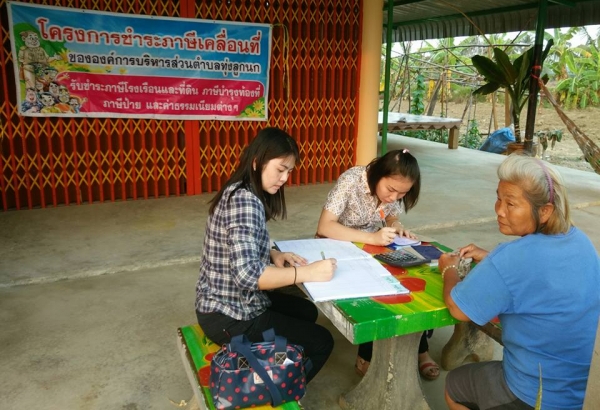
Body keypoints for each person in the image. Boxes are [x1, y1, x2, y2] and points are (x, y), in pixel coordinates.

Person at [439, 154, 600, 410]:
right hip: (582, 390)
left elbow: (457, 309)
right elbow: (542, 273)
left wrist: (448, 269)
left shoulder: (511, 258)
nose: (499, 210)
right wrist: (492, 260)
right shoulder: (580, 241)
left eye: (511, 203)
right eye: (498, 198)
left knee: (455, 385)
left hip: (535, 394)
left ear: (544, 211)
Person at [195, 127, 337, 383]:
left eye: (289, 171)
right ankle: (275, 391)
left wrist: (272, 254)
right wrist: (307, 272)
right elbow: (248, 276)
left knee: (306, 312)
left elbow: (238, 243)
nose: (284, 178)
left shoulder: (240, 189)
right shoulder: (245, 201)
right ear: (257, 161)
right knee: (322, 341)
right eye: (280, 169)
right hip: (230, 316)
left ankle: (276, 363)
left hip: (224, 303)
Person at [316, 149, 440, 380]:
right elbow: (325, 226)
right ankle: (367, 355)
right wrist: (372, 238)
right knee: (377, 290)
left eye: (402, 193)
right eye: (390, 189)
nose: (394, 197)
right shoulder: (351, 180)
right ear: (377, 173)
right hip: (338, 249)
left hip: (371, 248)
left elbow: (390, 215)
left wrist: (396, 226)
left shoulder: (391, 194)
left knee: (409, 282)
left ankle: (420, 347)